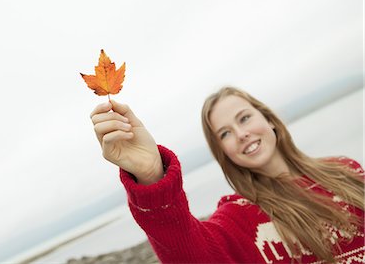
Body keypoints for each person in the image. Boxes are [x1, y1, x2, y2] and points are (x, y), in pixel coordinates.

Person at [89, 86, 364, 264]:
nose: (241, 134)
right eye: (225, 133)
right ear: (223, 151)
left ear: (268, 119)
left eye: (244, 118)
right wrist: (151, 174)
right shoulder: (237, 220)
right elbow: (191, 254)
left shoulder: (345, 169)